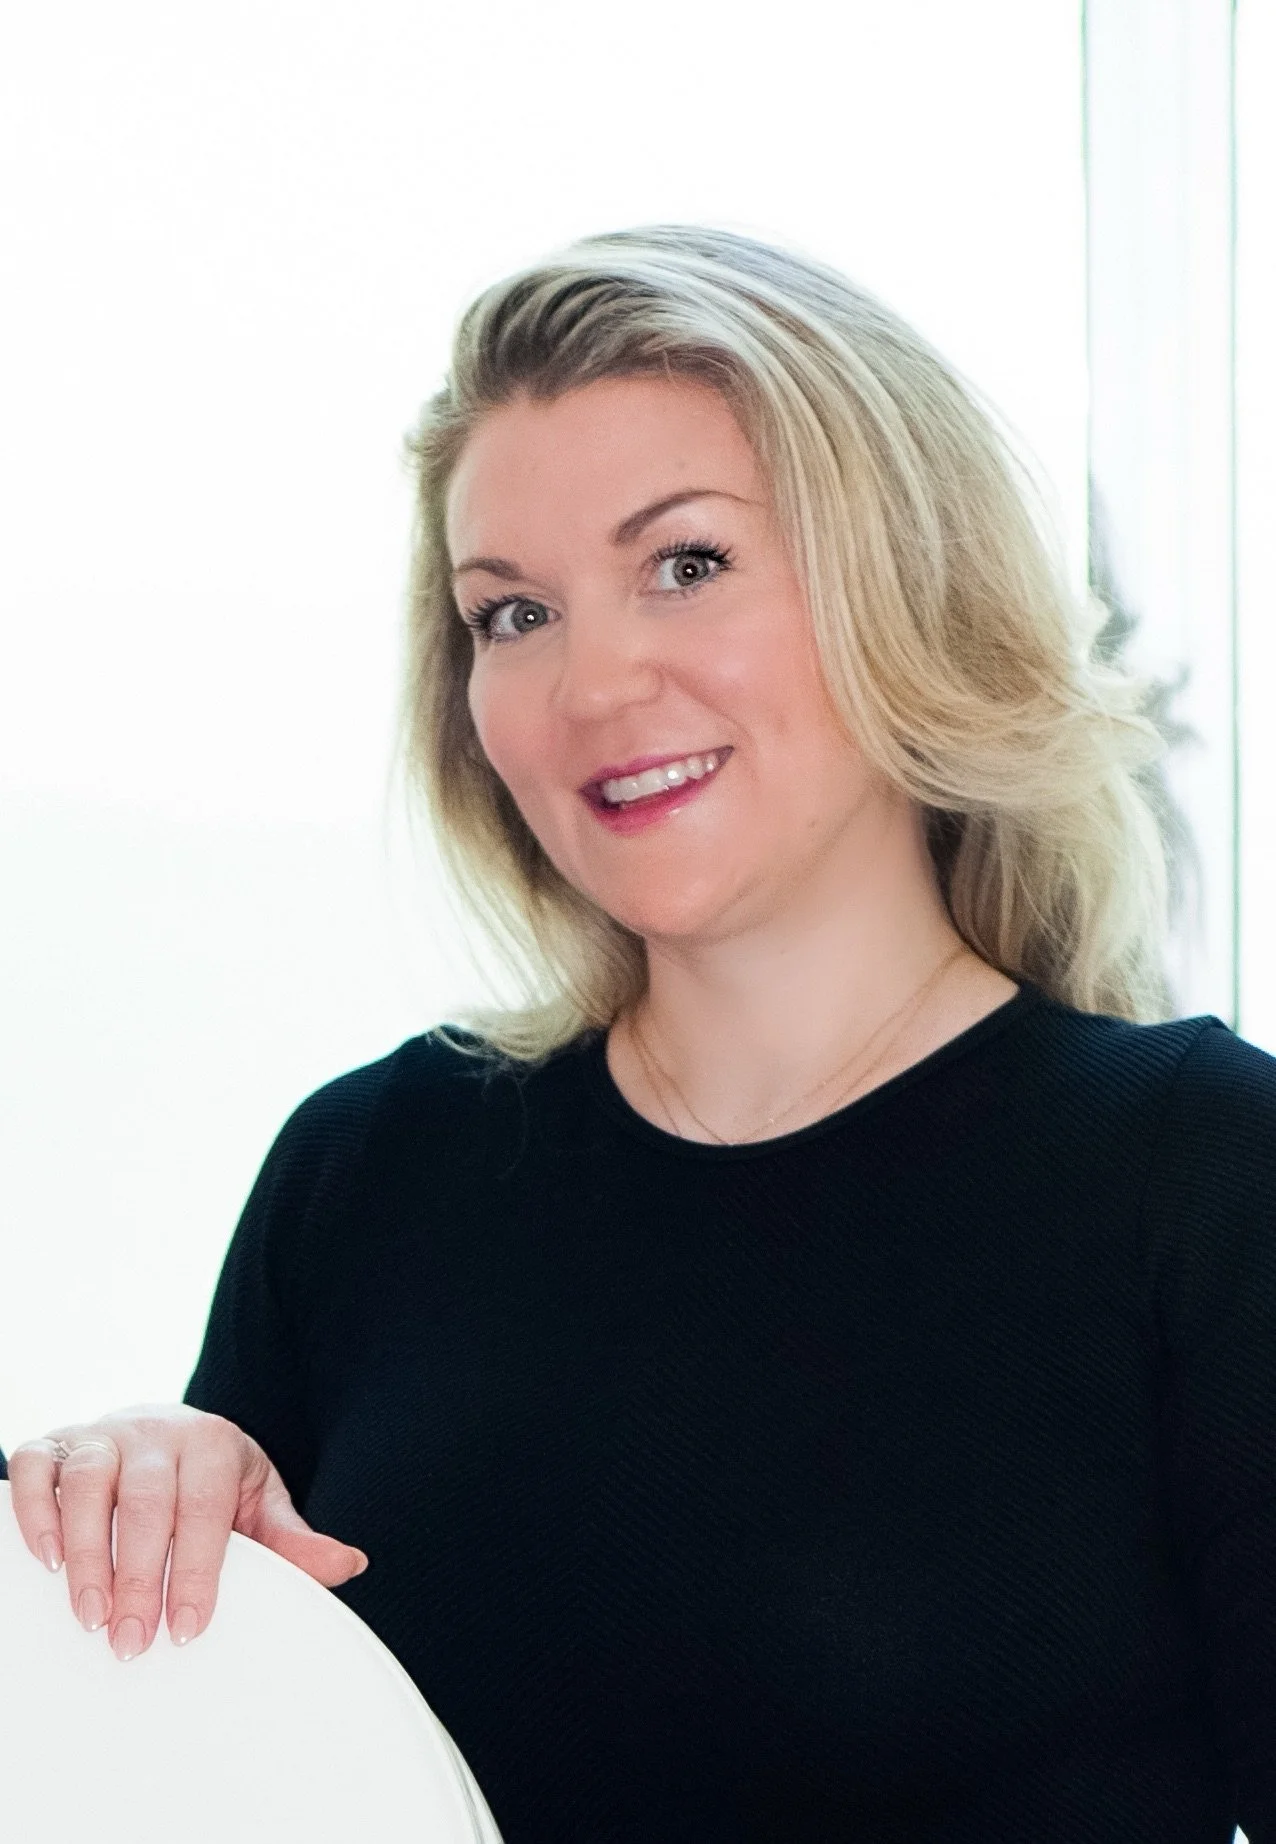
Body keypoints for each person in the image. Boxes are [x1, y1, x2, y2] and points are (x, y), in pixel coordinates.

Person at [7, 224, 1274, 1843]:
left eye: (686, 564)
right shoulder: (371, 1169)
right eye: (513, 613)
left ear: (906, 582)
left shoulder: (1204, 1176)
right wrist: (132, 1531)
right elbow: (213, 1786)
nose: (592, 685)